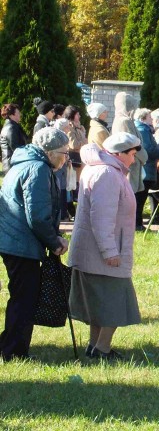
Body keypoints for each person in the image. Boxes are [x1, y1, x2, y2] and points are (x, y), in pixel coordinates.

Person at [68, 133, 142, 361]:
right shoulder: (108, 174)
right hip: (102, 252)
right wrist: (110, 251)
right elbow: (101, 217)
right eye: (132, 154)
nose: (134, 159)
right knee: (115, 303)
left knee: (100, 304)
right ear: (118, 154)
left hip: (95, 250)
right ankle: (101, 349)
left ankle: (95, 346)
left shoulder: (106, 170)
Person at [0, 127, 69, 360]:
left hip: (14, 241)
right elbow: (38, 215)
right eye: (64, 152)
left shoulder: (25, 162)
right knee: (24, 298)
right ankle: (14, 352)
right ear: (49, 152)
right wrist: (53, 241)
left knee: (21, 296)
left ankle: (9, 344)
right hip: (20, 244)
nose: (66, 157)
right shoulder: (38, 168)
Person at [111, 92, 148, 216]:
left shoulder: (126, 120)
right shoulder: (124, 121)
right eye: (133, 106)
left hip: (133, 160)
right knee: (128, 195)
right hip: (129, 162)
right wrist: (144, 156)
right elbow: (131, 144)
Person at [134, 108, 159, 229]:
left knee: (141, 197)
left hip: (146, 167)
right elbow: (148, 148)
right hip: (145, 168)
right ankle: (138, 223)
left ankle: (138, 223)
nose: (152, 120)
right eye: (150, 117)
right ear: (143, 118)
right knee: (140, 197)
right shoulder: (143, 130)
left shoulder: (144, 129)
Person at [0, 103, 28, 173]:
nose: (20, 114)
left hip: (13, 165)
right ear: (12, 115)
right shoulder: (11, 128)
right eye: (18, 113)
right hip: (12, 166)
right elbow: (16, 148)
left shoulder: (12, 126)